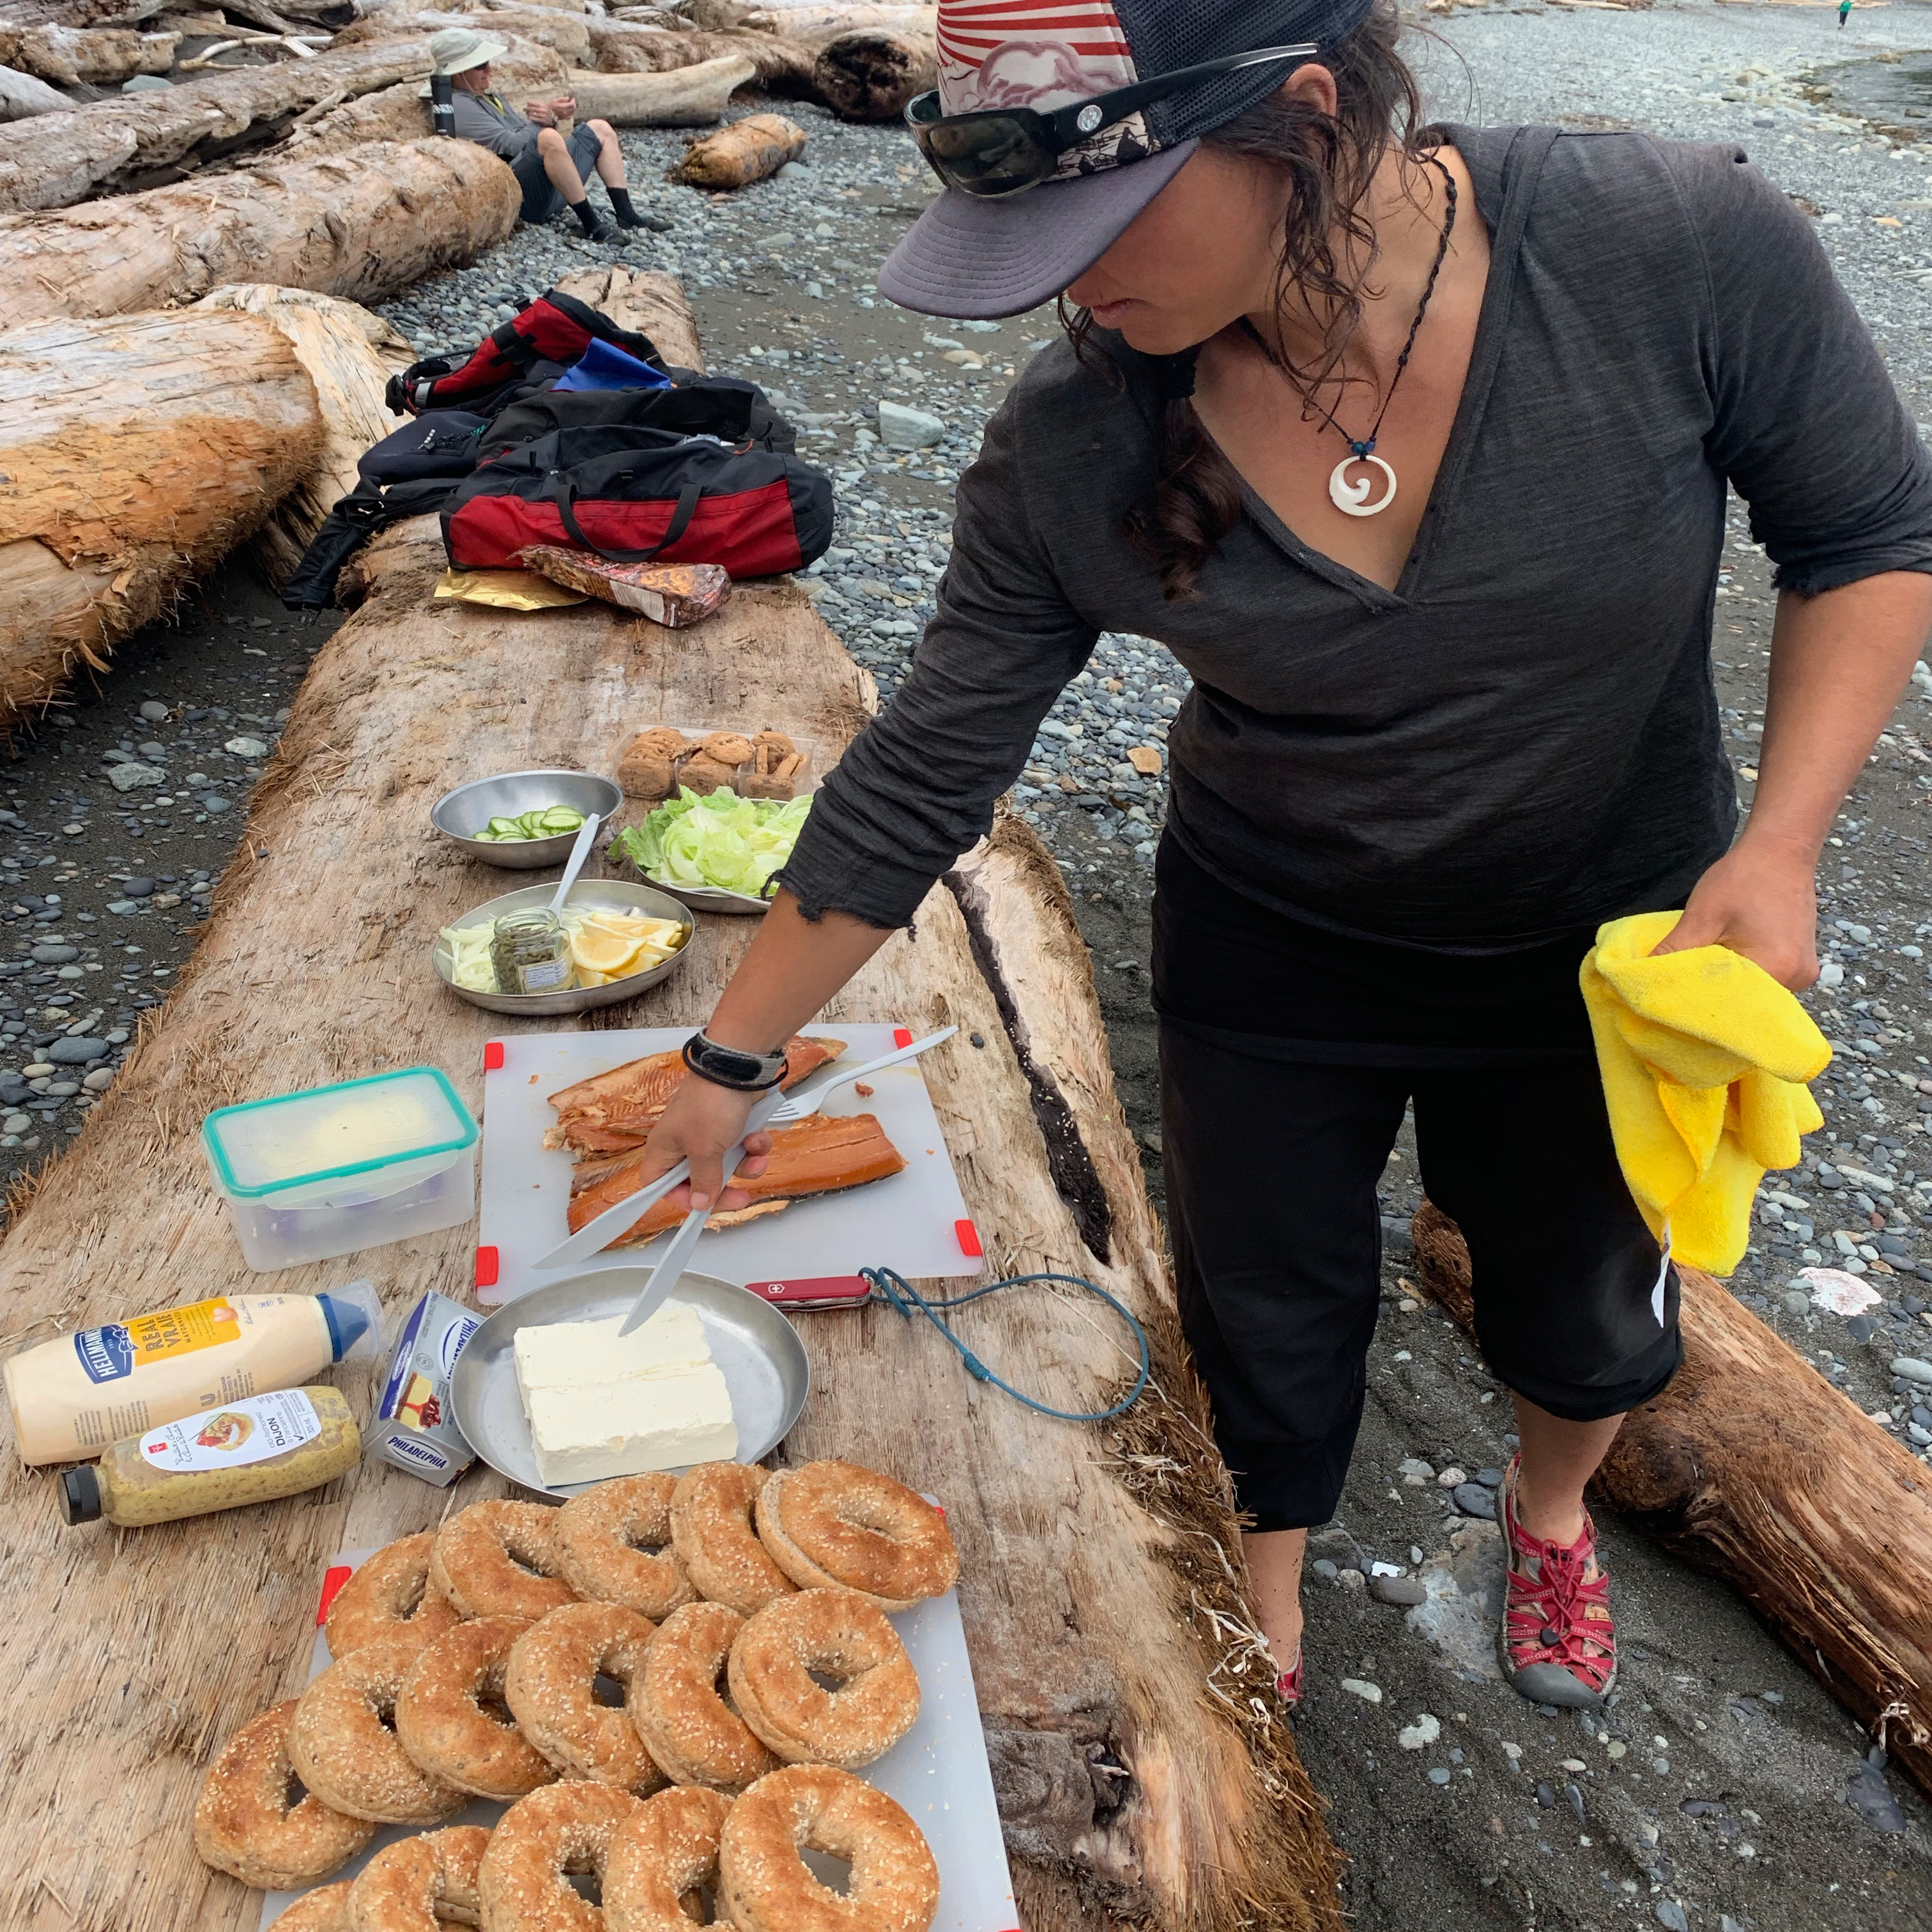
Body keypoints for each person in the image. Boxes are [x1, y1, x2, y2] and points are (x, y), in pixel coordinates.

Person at [629, 0, 1932, 1712]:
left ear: (1306, 117)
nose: (1054, 283)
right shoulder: (1078, 442)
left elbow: (1866, 528)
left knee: (1584, 1304)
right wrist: (729, 1055)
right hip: (1275, 938)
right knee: (1264, 1304)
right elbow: (925, 769)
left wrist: (1782, 846)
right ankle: (1267, 1589)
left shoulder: (1669, 244)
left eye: (1096, 219)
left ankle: (1549, 1516)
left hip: (1615, 937)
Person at [429, 27, 670, 241]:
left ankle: (626, 214)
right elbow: (511, 147)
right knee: (549, 138)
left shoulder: (488, 97)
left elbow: (528, 138)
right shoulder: (458, 105)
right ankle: (593, 225)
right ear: (459, 72)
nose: (489, 70)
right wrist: (543, 119)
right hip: (521, 200)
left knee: (600, 128)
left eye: (487, 63)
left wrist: (550, 118)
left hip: (545, 187)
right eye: (481, 66)